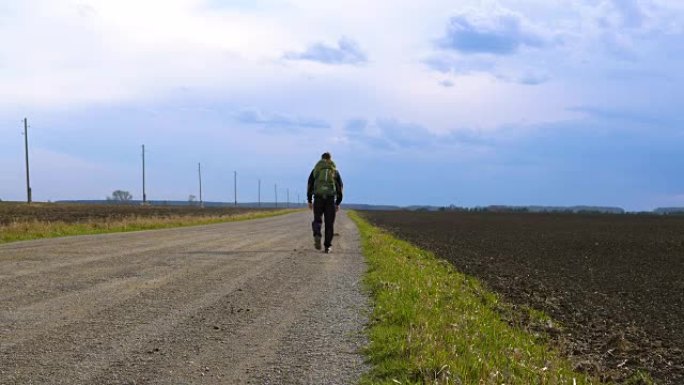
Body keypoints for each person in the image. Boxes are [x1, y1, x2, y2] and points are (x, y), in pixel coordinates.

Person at [307, 152, 343, 253]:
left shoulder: (316, 170)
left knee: (317, 219)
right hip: (330, 199)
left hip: (318, 198)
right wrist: (338, 202)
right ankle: (327, 247)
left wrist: (309, 200)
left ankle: (317, 234)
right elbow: (340, 186)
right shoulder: (334, 171)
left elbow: (310, 184)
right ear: (330, 159)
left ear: (321, 159)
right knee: (329, 224)